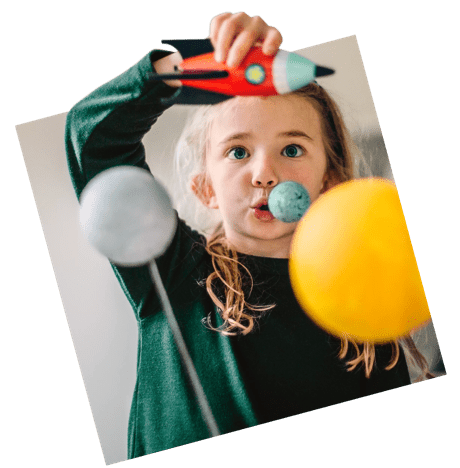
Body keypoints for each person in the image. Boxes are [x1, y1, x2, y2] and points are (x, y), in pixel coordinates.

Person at [65, 11, 433, 460]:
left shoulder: (365, 303)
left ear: (329, 181)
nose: (265, 174)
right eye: (238, 151)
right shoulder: (175, 271)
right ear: (206, 188)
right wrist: (196, 63)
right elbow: (92, 138)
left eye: (291, 149)